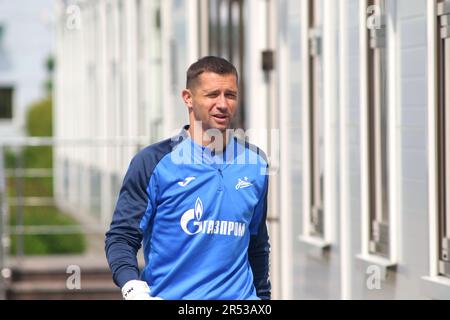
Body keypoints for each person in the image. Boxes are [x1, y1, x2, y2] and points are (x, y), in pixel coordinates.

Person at [105, 56, 271, 300]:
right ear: (188, 98)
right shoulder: (153, 163)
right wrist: (132, 287)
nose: (223, 104)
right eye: (213, 94)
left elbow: (257, 245)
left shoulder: (255, 163)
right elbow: (121, 237)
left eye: (231, 95)